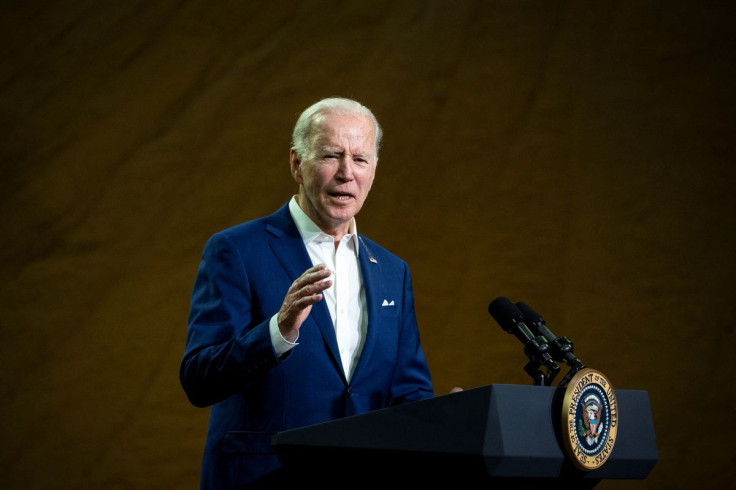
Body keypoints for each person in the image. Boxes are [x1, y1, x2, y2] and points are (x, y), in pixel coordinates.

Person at [180, 97, 436, 488]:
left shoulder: (392, 271)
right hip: (261, 476)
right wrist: (278, 332)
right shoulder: (237, 250)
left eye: (361, 159)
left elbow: (407, 389)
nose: (346, 173)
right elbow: (199, 379)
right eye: (332, 155)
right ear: (297, 163)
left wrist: (448, 414)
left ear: (374, 171)